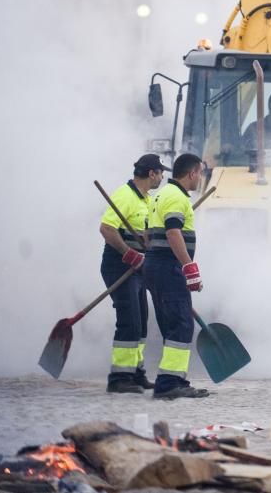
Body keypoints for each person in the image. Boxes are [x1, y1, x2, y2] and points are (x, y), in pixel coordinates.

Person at [98, 154, 169, 394]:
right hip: (119, 265)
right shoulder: (124, 196)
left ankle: (136, 373)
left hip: (139, 268)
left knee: (141, 323)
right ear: (151, 173)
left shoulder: (148, 199)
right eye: (160, 173)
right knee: (129, 320)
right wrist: (129, 253)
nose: (162, 177)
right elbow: (107, 229)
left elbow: (146, 235)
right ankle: (119, 378)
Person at [144, 153, 209, 400]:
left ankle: (175, 379)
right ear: (191, 173)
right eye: (200, 173)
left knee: (172, 325)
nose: (200, 178)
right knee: (181, 325)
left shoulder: (160, 194)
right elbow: (172, 232)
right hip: (168, 267)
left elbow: (148, 233)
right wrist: (188, 266)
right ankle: (169, 383)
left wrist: (151, 257)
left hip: (157, 266)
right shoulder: (175, 197)